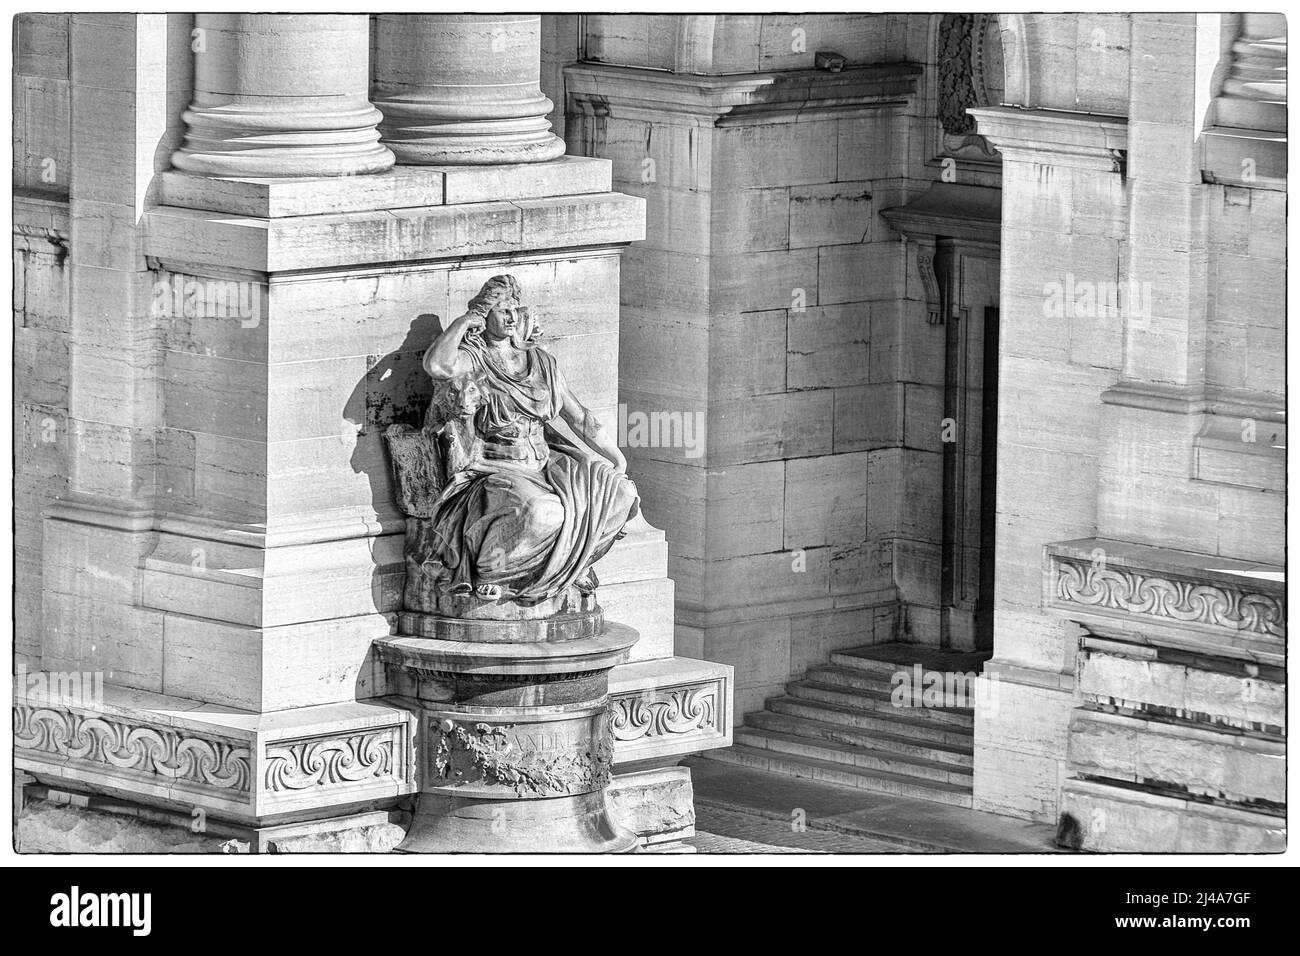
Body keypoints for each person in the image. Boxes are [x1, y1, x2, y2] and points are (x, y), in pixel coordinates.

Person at [417, 275, 638, 604]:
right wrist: (463, 323)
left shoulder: (542, 362)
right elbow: (437, 365)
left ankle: (570, 564)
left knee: (622, 494)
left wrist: (616, 457)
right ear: (483, 316)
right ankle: (494, 571)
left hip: (548, 464)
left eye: (513, 310)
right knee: (542, 512)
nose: (510, 316)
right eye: (500, 310)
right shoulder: (474, 362)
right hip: (496, 468)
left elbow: (580, 418)